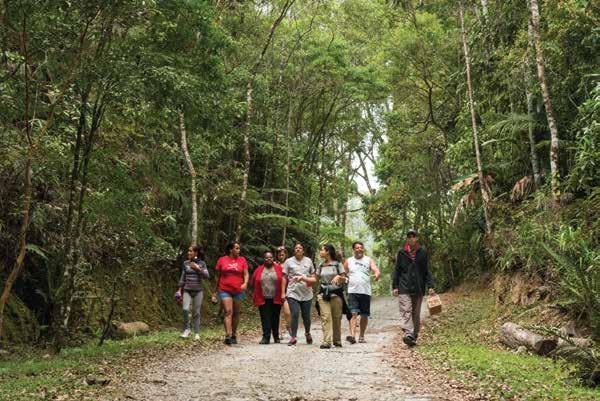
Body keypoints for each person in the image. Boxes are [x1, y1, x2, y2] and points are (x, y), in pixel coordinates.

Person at [392, 229, 435, 346]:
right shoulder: (402, 252)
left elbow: (426, 270)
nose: (411, 238)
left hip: (418, 287)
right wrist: (395, 286)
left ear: (416, 238)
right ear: (407, 239)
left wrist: (430, 285)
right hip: (404, 286)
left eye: (413, 236)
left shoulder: (422, 252)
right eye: (409, 236)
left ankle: (414, 336)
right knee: (406, 310)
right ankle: (408, 333)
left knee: (416, 313)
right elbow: (397, 270)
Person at [211, 241, 249, 345]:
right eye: (236, 248)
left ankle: (234, 334)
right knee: (228, 311)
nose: (238, 250)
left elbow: (246, 274)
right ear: (230, 249)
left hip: (238, 290)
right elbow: (217, 277)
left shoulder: (242, 260)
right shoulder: (222, 260)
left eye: (239, 248)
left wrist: (245, 283)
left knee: (236, 313)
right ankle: (228, 335)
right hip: (224, 290)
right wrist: (215, 292)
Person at [344, 241, 380, 344]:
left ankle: (361, 336)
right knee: (353, 313)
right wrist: (342, 278)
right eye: (357, 248)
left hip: (365, 291)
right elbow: (343, 273)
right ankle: (352, 336)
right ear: (353, 250)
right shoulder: (349, 261)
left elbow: (375, 269)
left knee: (364, 315)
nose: (359, 249)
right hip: (352, 291)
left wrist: (377, 273)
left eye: (361, 247)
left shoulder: (368, 260)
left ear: (363, 249)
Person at [281, 242, 316, 346]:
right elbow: (284, 277)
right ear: (294, 250)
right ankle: (293, 337)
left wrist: (308, 279)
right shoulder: (288, 261)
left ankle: (307, 333)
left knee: (306, 316)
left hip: (306, 293)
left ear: (303, 250)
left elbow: (313, 275)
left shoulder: (308, 261)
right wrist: (283, 292)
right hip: (293, 292)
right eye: (296, 248)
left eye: (300, 248)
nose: (298, 249)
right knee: (295, 314)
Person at [316, 244, 346, 349]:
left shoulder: (338, 264)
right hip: (323, 294)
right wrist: (302, 278)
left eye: (322, 250)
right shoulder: (320, 265)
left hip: (336, 294)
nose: (320, 252)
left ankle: (337, 340)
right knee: (326, 317)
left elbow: (344, 278)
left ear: (327, 251)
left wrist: (338, 276)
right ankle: (326, 341)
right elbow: (316, 279)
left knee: (337, 318)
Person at [177, 245, 209, 340]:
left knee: (196, 312)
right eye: (188, 251)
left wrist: (197, 268)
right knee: (185, 309)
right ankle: (187, 329)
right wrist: (179, 290)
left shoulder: (202, 263)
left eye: (191, 251)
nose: (189, 253)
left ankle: (197, 333)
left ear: (196, 253)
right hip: (187, 290)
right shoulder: (185, 263)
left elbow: (207, 276)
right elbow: (183, 277)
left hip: (198, 291)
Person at [251, 251, 284, 344]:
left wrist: (284, 293)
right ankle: (266, 337)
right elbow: (253, 282)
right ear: (264, 259)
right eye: (266, 258)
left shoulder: (279, 269)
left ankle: (276, 336)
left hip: (276, 297)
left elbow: (284, 280)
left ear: (273, 258)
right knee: (265, 317)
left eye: (270, 257)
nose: (268, 259)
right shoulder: (259, 269)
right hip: (263, 297)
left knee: (275, 317)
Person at [276, 246, 292, 338]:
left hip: (287, 291)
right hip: (276, 291)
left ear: (286, 254)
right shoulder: (274, 264)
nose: (281, 256)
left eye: (283, 254)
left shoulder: (289, 264)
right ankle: (279, 332)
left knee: (288, 312)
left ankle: (288, 326)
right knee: (277, 313)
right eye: (279, 254)